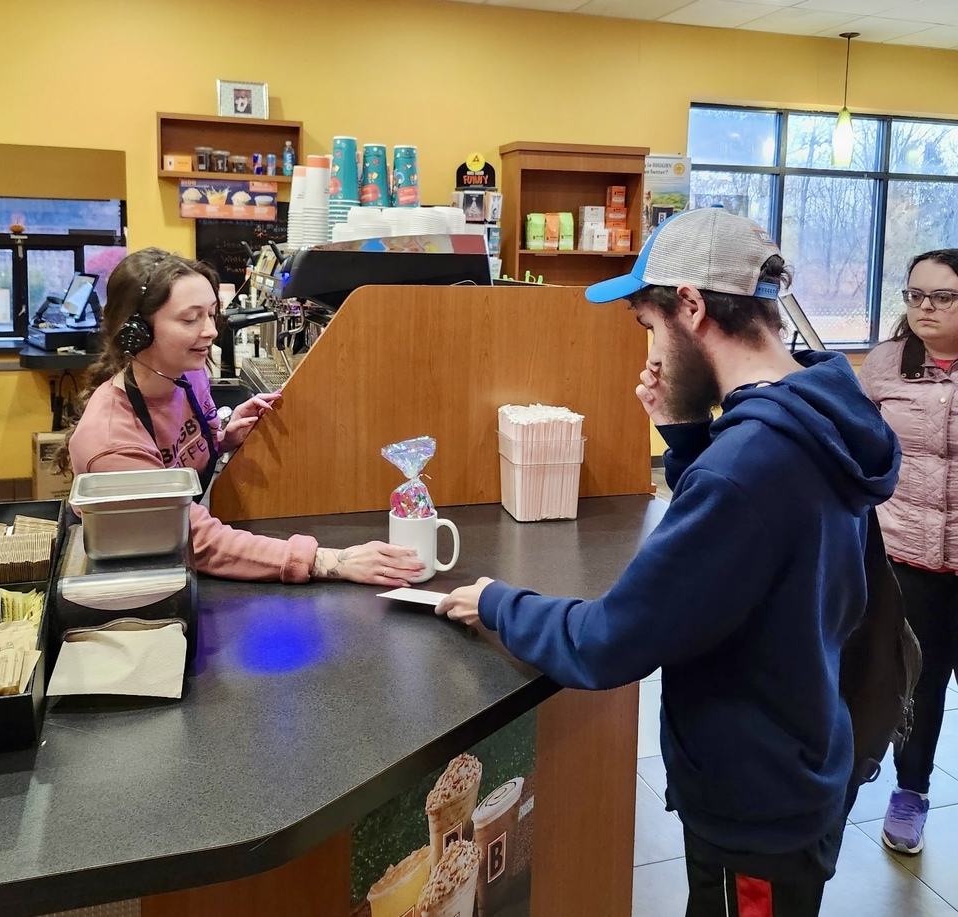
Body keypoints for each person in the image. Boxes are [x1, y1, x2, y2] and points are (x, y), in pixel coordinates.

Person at [435, 208, 901, 916]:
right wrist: (687, 441)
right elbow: (758, 546)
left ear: (692, 306)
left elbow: (609, 641)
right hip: (802, 750)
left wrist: (495, 599)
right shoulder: (822, 412)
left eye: (651, 328)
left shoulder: (748, 466)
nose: (649, 356)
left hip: (754, 807)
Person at [57, 247, 424, 586]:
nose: (210, 332)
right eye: (190, 319)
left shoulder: (188, 373)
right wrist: (331, 561)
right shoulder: (110, 440)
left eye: (211, 314)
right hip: (139, 584)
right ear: (136, 332)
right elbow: (192, 538)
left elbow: (181, 455)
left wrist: (222, 437)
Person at [859, 248, 958, 856]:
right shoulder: (886, 364)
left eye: (942, 297)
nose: (924, 307)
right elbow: (858, 447)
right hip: (906, 557)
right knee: (919, 681)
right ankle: (911, 793)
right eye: (914, 295)